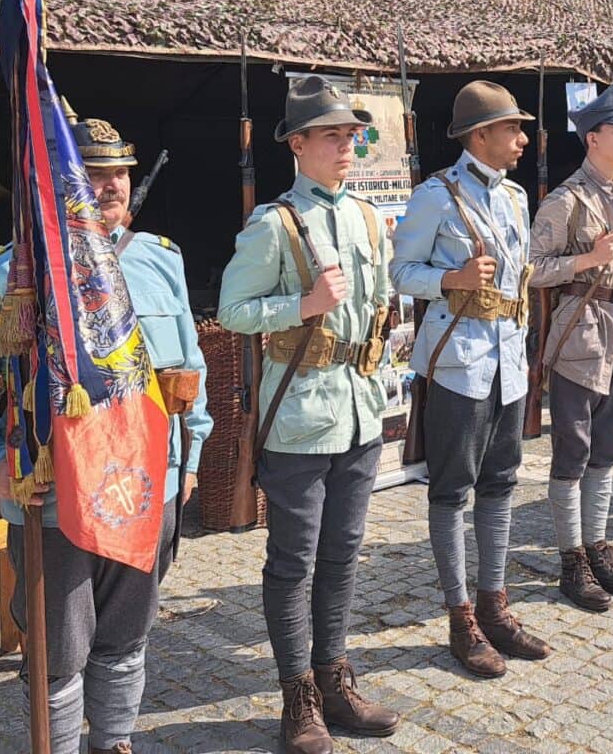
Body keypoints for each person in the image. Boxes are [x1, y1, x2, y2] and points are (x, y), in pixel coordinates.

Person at [0, 115, 212, 754]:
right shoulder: (8, 278)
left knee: (127, 635)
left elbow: (188, 366)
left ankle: (113, 741)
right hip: (54, 498)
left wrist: (191, 454)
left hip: (147, 491)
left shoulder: (160, 261)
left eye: (119, 172)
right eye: (93, 174)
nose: (110, 185)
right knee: (59, 651)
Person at [218, 77, 399, 754]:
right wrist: (302, 307)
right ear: (297, 145)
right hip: (297, 417)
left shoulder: (367, 218)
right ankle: (298, 696)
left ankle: (335, 677)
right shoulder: (274, 224)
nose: (346, 145)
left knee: (343, 555)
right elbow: (234, 312)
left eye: (351, 134)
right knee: (293, 561)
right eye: (332, 135)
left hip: (358, 413)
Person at [390, 80, 551, 677]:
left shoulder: (513, 197)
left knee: (502, 483)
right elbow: (400, 271)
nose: (523, 137)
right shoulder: (437, 195)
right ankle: (460, 617)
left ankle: (494, 604)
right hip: (457, 360)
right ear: (480, 135)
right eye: (513, 128)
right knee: (452, 490)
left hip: (507, 359)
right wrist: (450, 279)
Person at [530, 84, 613, 611]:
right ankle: (570, 560)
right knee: (572, 450)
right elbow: (529, 269)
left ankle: (597, 547)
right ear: (591, 137)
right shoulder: (565, 199)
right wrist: (584, 261)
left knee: (608, 447)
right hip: (579, 335)